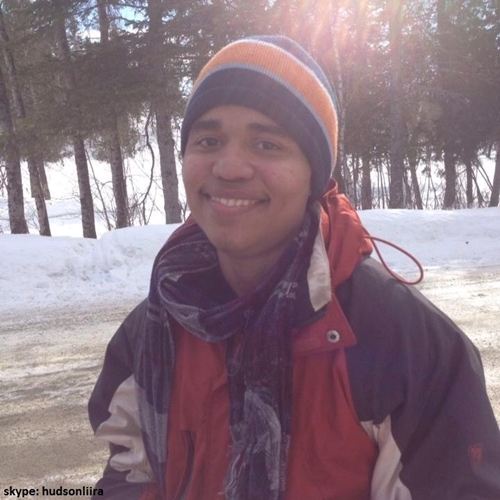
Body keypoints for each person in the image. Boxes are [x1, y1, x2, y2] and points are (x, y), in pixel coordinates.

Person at [88, 35, 500, 500]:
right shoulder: (152, 331)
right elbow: (128, 477)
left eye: (266, 143)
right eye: (209, 140)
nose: (229, 167)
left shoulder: (406, 345)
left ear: (313, 175)